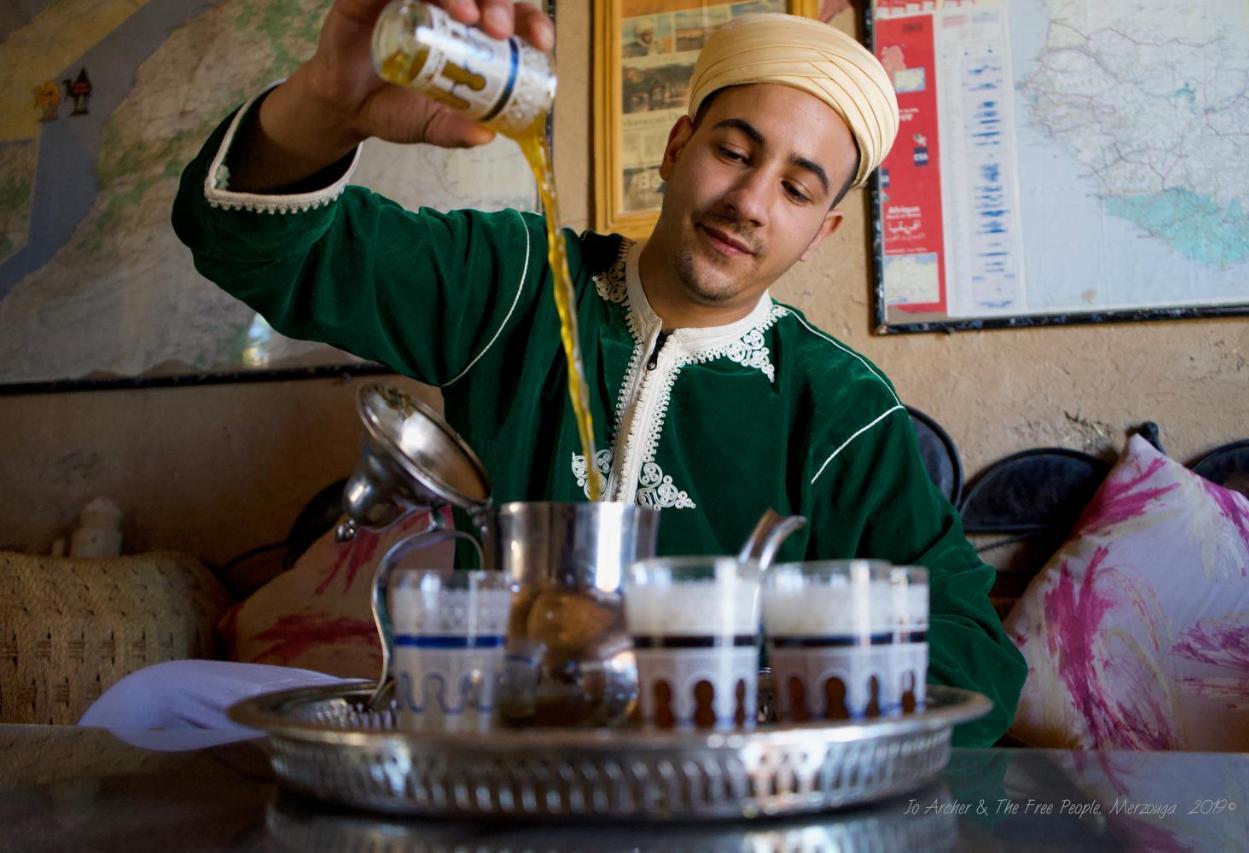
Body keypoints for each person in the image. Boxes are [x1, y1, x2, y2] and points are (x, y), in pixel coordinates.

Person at [89, 0, 1025, 747]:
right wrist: (329, 104)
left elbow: (976, 659)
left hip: (709, 780)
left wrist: (742, 688)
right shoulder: (516, 282)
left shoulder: (840, 405)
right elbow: (259, 249)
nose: (747, 200)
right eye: (734, 151)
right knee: (153, 699)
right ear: (677, 146)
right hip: (482, 744)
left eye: (795, 186)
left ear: (821, 230)